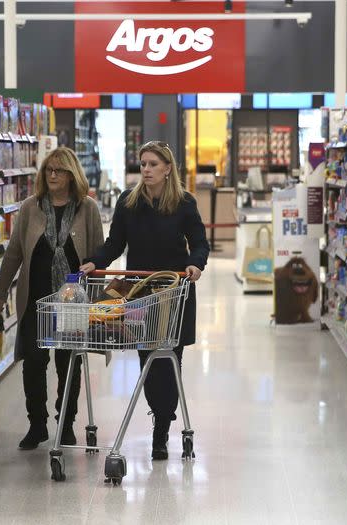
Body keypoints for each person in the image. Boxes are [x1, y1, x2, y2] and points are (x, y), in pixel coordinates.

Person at [80, 141, 209, 460]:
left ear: (168, 169)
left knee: (169, 359)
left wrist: (195, 264)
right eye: (143, 164)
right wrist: (96, 262)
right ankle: (160, 419)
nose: (147, 170)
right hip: (139, 292)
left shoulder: (184, 203)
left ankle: (162, 427)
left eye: (153, 164)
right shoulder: (129, 202)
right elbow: (115, 244)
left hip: (173, 292)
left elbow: (201, 244)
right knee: (147, 361)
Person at [0, 147, 104, 450]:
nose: (52, 175)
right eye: (48, 170)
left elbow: (98, 256)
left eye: (59, 170)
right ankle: (37, 424)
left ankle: (65, 424)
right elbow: (14, 253)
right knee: (34, 363)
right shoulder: (30, 207)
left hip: (73, 300)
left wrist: (98, 300)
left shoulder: (87, 208)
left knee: (69, 363)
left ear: (72, 175)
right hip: (35, 298)